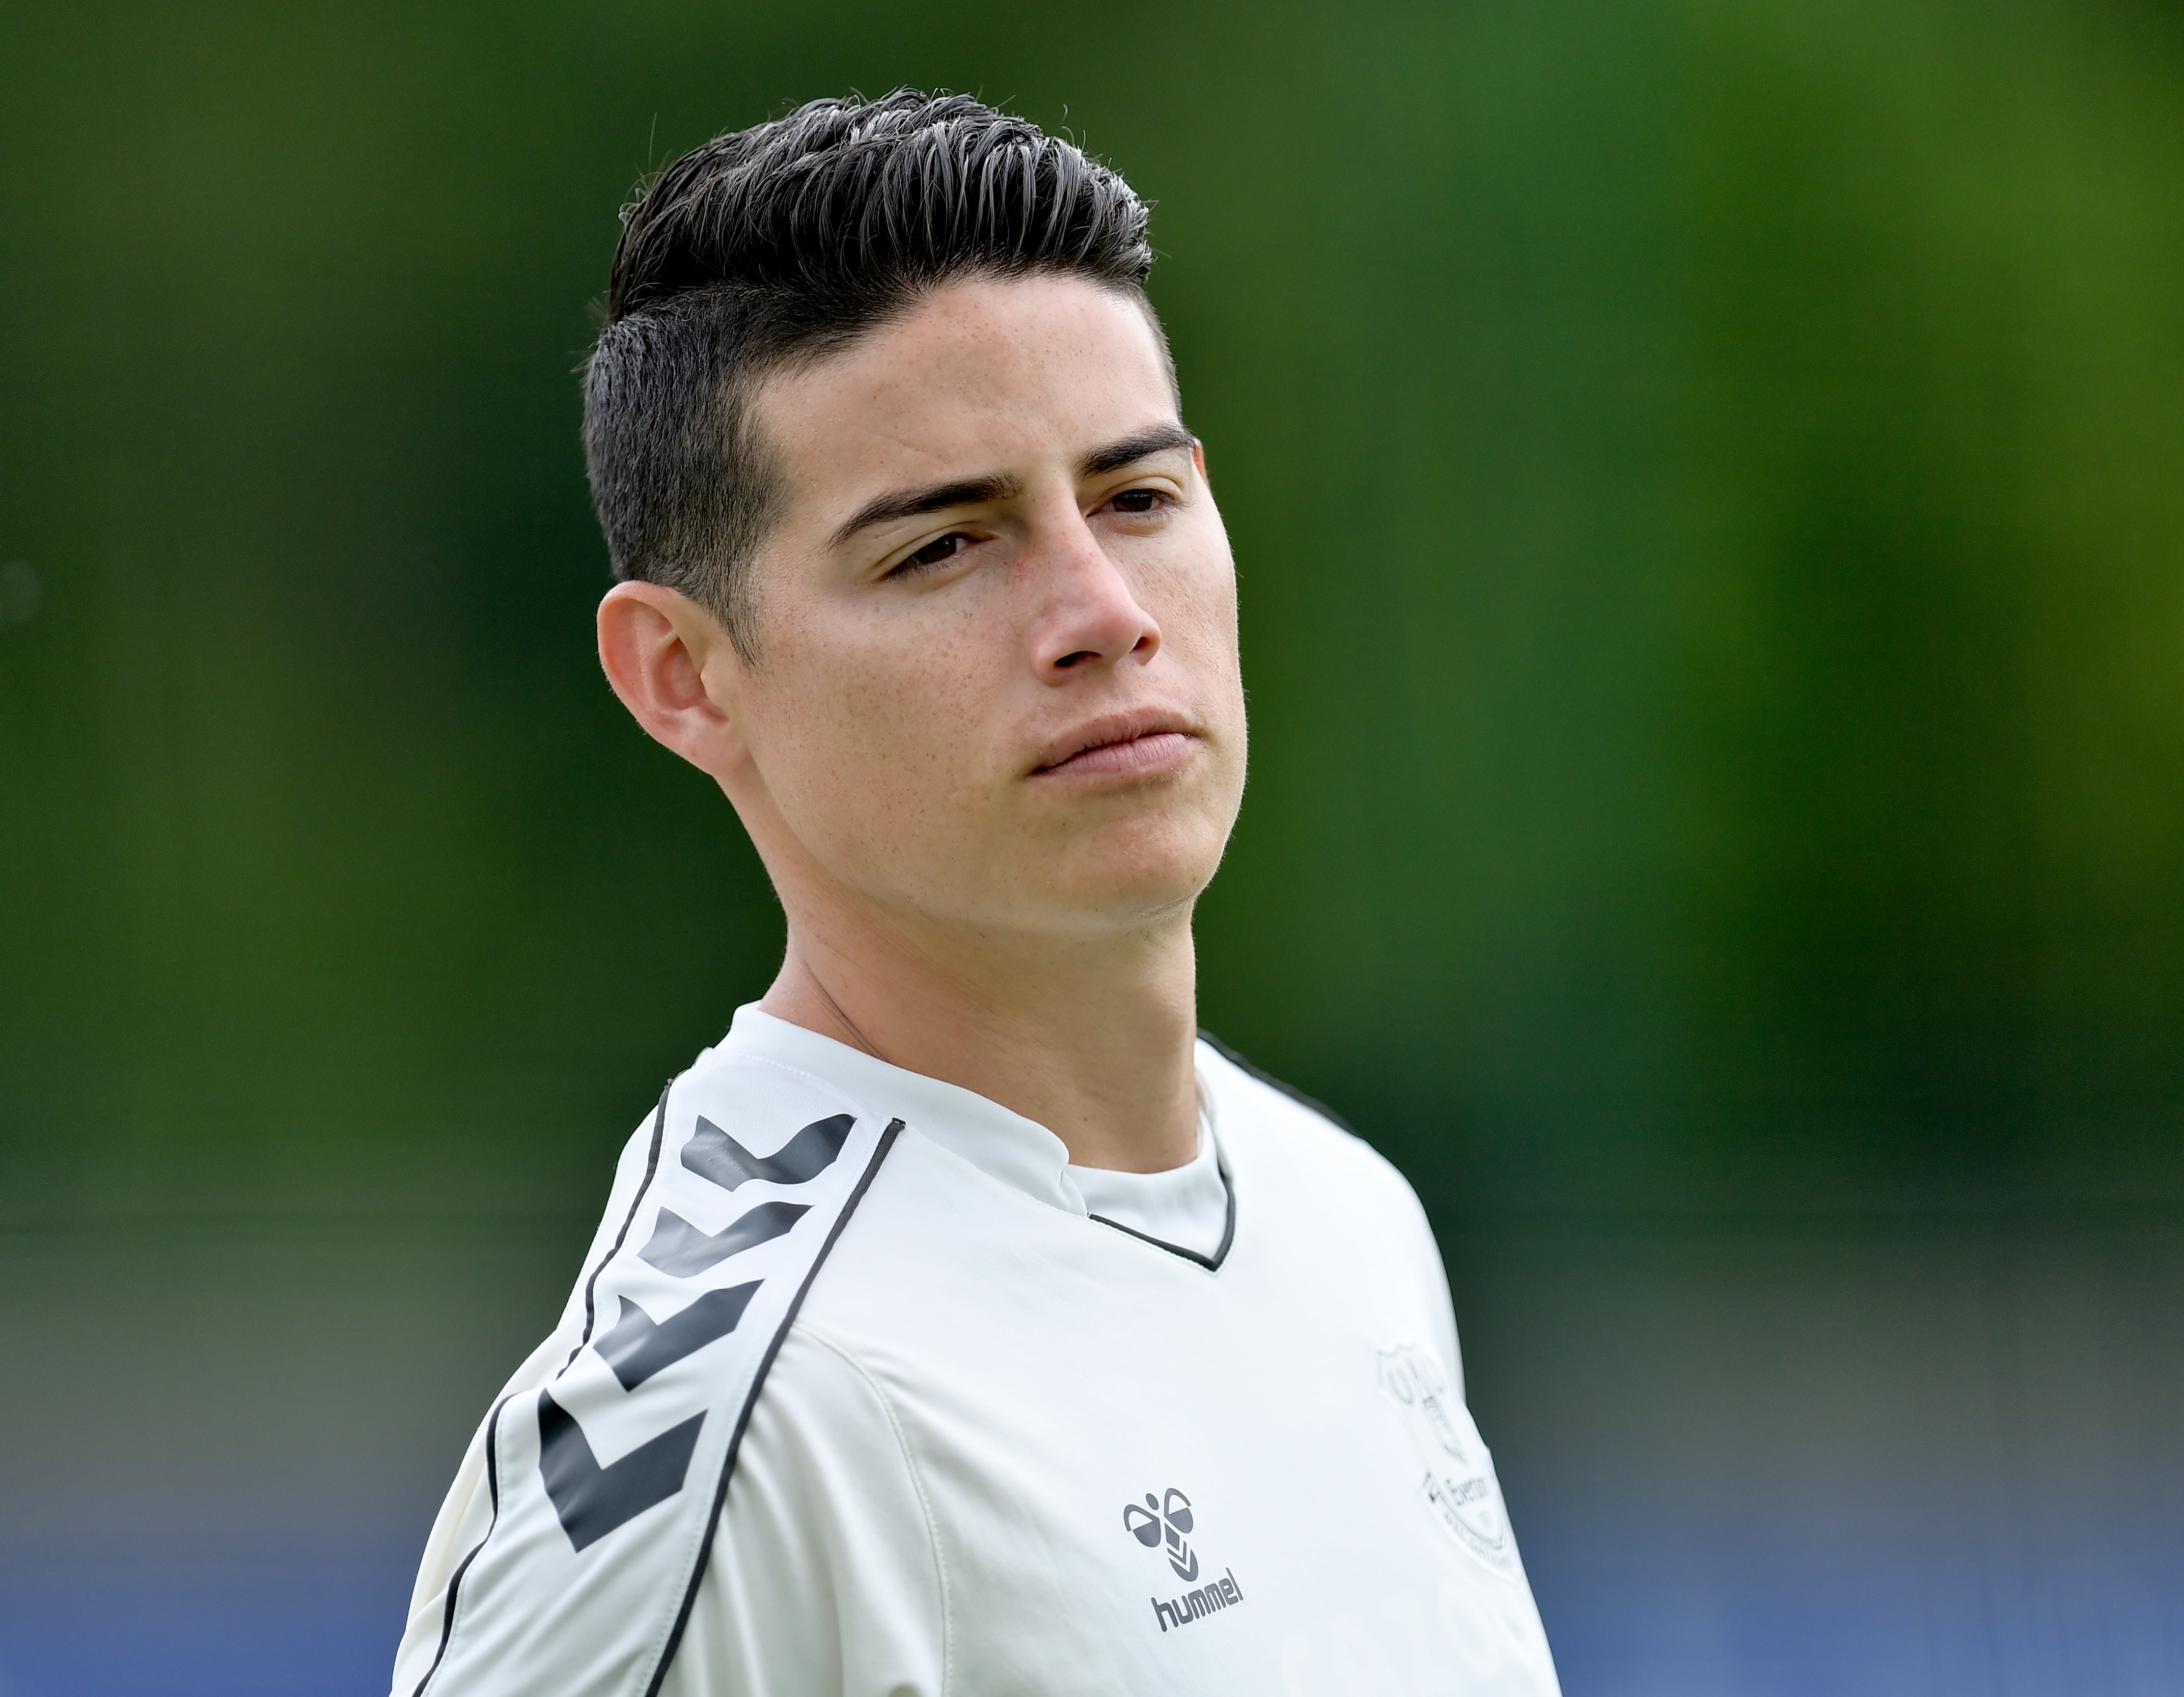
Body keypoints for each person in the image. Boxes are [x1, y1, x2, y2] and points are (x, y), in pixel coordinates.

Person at [390, 91, 1561, 1697]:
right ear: (684, 674)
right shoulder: (737, 1429)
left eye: (1138, 498)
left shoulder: (1349, 1217)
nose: (1102, 611)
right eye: (943, 547)